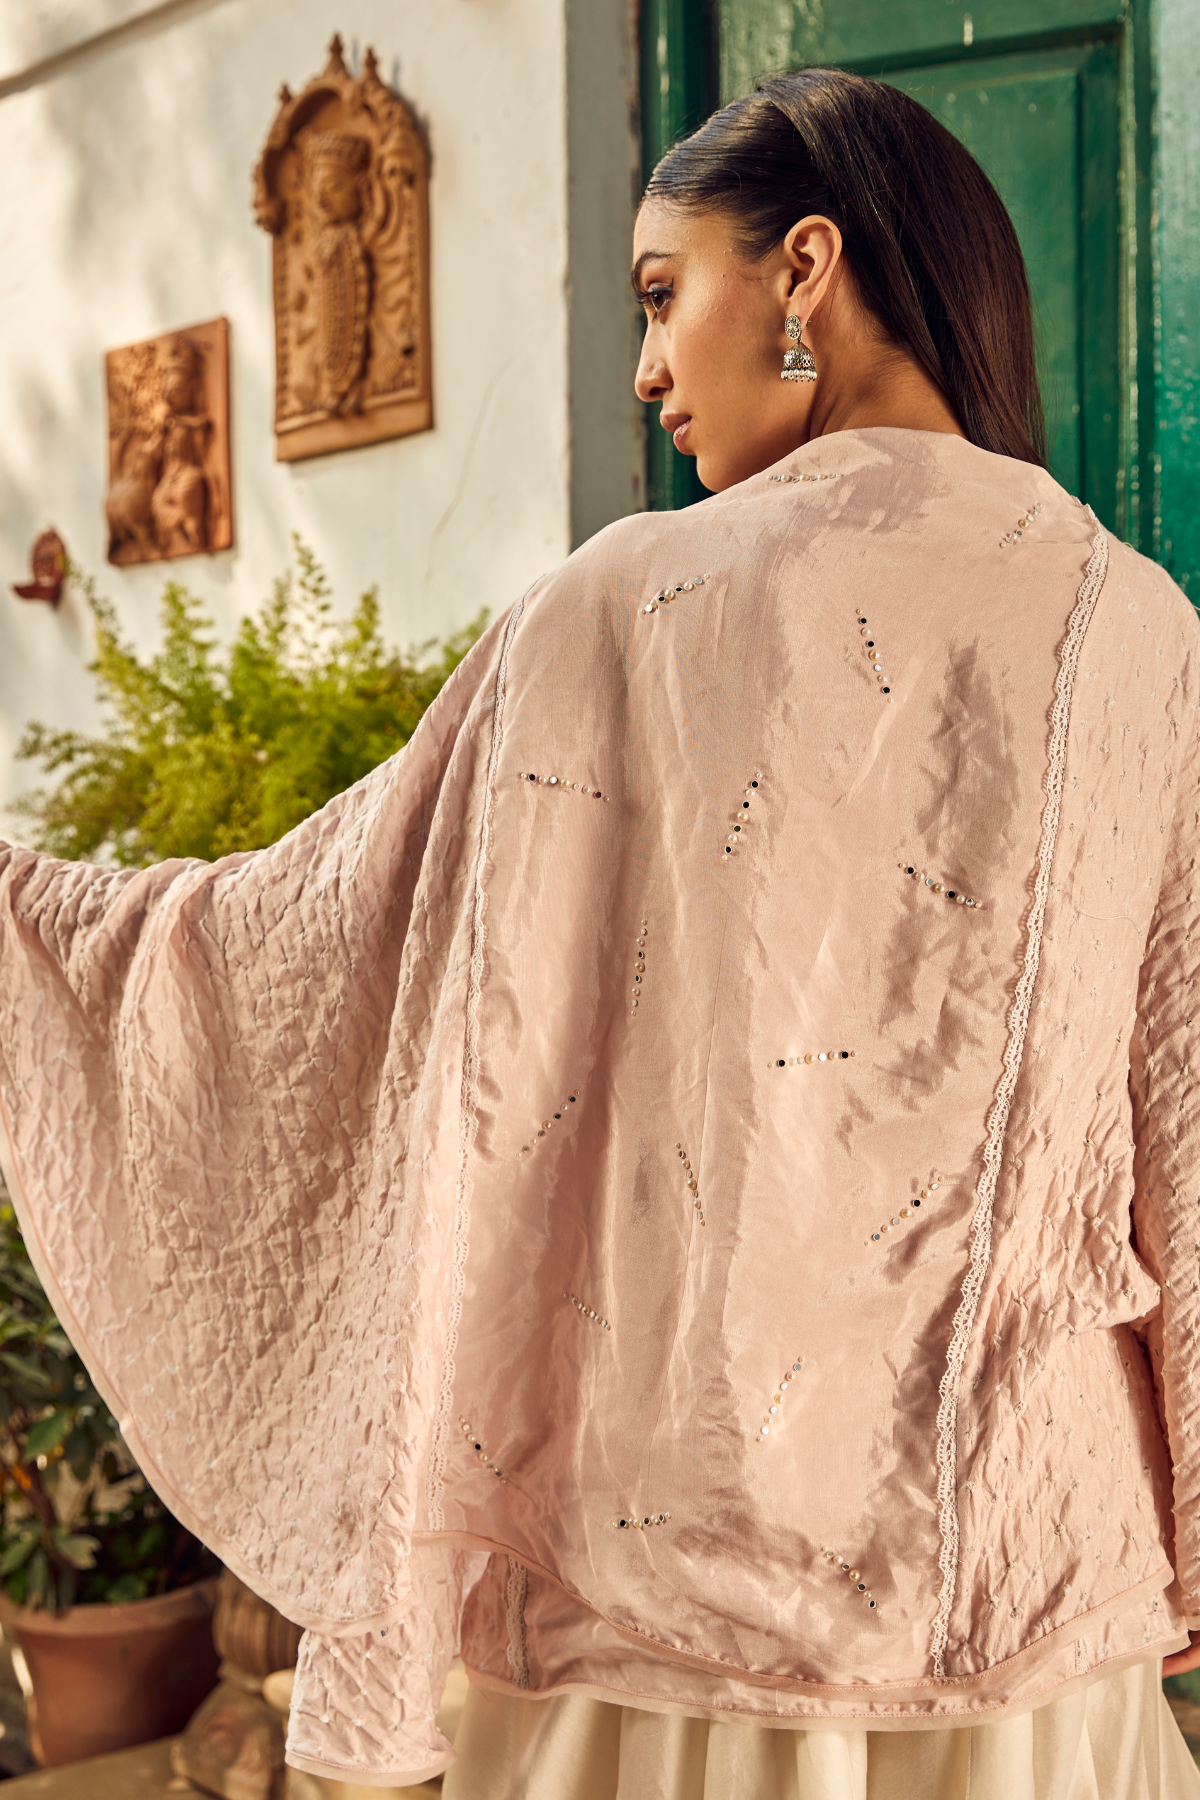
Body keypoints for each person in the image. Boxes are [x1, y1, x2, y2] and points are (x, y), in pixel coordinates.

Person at [1, 65, 1198, 1800]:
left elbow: (317, 946)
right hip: (1021, 1584)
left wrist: (32, 923)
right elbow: (1187, 1114)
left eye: (659, 293)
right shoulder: (1139, 632)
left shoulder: (616, 607)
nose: (647, 371)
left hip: (656, 1604)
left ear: (804, 268)